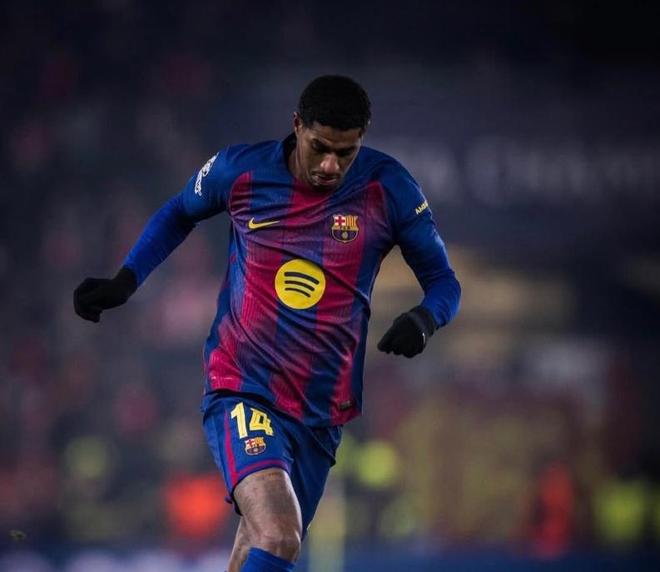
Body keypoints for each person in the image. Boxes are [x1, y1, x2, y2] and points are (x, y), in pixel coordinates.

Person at [73, 75, 461, 572]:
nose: (330, 165)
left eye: (345, 153)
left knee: (257, 544)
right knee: (279, 535)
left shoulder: (390, 188)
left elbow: (444, 282)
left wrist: (425, 319)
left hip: (321, 412)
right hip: (243, 386)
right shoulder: (242, 171)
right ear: (297, 125)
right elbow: (178, 212)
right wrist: (126, 280)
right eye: (320, 147)